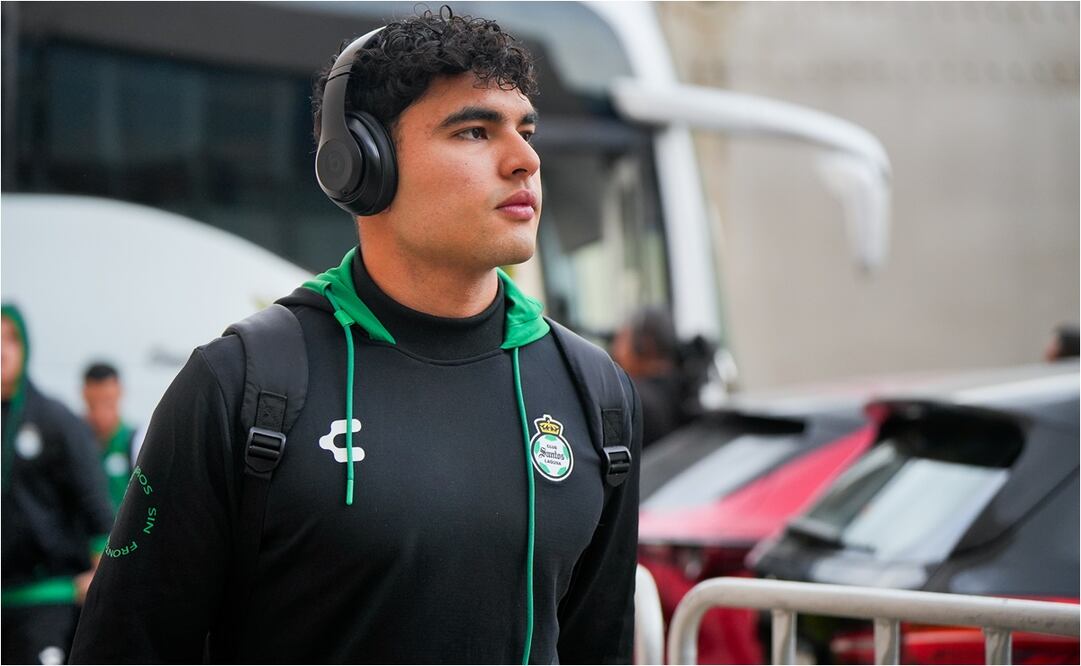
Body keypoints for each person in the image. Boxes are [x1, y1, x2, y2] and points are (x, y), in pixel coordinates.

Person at [70, 8, 641, 664]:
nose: (524, 161)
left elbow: (600, 649)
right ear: (361, 165)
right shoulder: (241, 384)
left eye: (526, 130)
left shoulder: (594, 394)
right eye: (476, 131)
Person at [1, 304, 114, 665]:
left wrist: (101, 575)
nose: (2, 349)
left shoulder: (54, 420)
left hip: (46, 600)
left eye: (10, 340)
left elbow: (96, 507)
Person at [612, 306, 697, 447]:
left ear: (644, 344)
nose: (615, 347)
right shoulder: (682, 390)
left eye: (623, 337)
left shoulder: (632, 398)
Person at [82, 362, 138, 514]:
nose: (101, 412)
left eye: (108, 402)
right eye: (94, 404)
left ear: (120, 393)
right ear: (84, 394)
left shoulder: (135, 442)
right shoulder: (72, 441)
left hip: (122, 536)